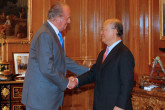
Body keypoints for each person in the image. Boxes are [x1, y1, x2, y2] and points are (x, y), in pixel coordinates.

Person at [21, 1, 88, 110]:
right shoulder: (45, 34)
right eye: (68, 18)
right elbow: (46, 68)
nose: (69, 21)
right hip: (41, 99)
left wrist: (90, 71)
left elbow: (63, 60)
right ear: (58, 18)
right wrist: (66, 82)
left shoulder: (51, 33)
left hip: (46, 98)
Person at [72, 18, 135, 110]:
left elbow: (127, 83)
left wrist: (120, 106)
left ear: (115, 31)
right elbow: (93, 73)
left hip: (116, 107)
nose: (101, 33)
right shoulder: (102, 53)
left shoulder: (124, 53)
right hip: (101, 105)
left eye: (104, 29)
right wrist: (76, 81)